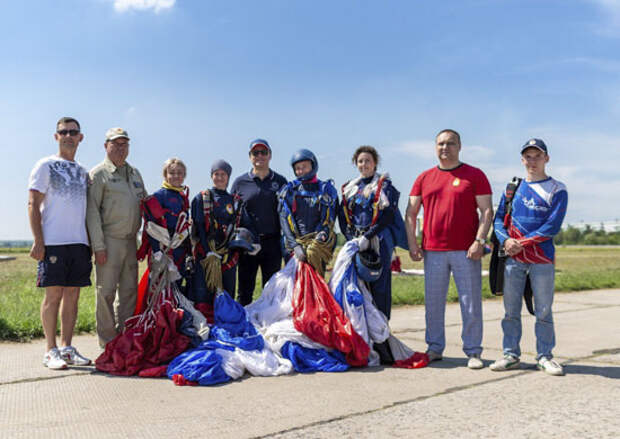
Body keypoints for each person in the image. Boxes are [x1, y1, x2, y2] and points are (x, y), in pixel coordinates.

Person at [405, 129, 493, 369]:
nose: (445, 148)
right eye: (441, 144)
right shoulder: (424, 177)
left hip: (467, 250)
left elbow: (487, 211)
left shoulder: (474, 175)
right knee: (433, 302)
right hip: (433, 250)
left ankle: (473, 351)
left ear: (460, 147)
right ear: (435, 147)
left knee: (470, 301)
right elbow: (411, 213)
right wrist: (413, 243)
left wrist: (479, 241)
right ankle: (434, 348)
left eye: (450, 144)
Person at [490, 138, 568, 376]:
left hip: (542, 261)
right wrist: (506, 240)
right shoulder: (512, 188)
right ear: (522, 159)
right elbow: (498, 220)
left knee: (543, 311)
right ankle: (511, 354)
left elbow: (551, 227)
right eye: (528, 156)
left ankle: (545, 357)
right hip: (513, 260)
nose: (532, 161)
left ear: (547, 158)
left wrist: (520, 243)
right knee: (510, 311)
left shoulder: (557, 188)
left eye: (537, 156)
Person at [28, 116, 92, 369]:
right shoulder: (45, 165)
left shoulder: (84, 172)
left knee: (72, 296)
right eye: (63, 132)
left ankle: (66, 347)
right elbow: (33, 204)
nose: (68, 136)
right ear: (56, 136)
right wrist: (38, 241)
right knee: (53, 296)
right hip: (53, 241)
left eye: (73, 132)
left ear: (80, 137)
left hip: (79, 242)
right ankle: (50, 350)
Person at [86, 127, 147, 348]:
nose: (121, 149)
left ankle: (125, 339)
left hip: (131, 241)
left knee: (130, 292)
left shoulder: (134, 173)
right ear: (106, 146)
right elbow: (92, 212)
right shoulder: (99, 174)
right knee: (106, 293)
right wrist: (98, 246)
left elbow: (146, 204)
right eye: (116, 144)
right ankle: (108, 343)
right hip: (109, 241)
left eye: (125, 144)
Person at [338, 145, 408, 319]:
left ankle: (382, 331)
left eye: (367, 160)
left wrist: (368, 236)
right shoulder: (350, 188)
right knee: (356, 285)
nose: (364, 164)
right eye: (360, 161)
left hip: (380, 240)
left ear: (375, 163)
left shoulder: (384, 186)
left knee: (380, 285)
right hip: (356, 242)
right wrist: (351, 239)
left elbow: (388, 216)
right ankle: (363, 330)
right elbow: (342, 215)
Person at [190, 160, 257, 305]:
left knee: (227, 295)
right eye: (216, 174)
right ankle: (205, 325)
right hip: (206, 256)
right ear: (211, 176)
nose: (219, 177)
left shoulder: (235, 201)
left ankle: (226, 324)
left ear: (228, 177)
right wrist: (208, 252)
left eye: (223, 174)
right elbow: (199, 226)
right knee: (204, 295)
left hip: (229, 257)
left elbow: (246, 224)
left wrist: (254, 242)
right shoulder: (201, 198)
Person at [231, 139, 287, 305]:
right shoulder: (240, 183)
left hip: (273, 244)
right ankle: (243, 328)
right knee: (244, 292)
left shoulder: (281, 181)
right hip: (247, 244)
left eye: (264, 152)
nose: (260, 156)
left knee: (271, 291)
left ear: (270, 156)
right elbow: (232, 213)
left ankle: (268, 327)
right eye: (256, 153)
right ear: (250, 157)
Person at [136, 158, 192, 301]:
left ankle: (174, 319)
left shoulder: (183, 197)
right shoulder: (158, 196)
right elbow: (151, 226)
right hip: (162, 251)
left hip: (179, 251)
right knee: (160, 289)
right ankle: (158, 319)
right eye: (172, 172)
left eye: (179, 173)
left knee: (177, 287)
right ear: (165, 175)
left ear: (184, 175)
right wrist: (156, 251)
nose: (176, 176)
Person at [278, 149, 338, 277]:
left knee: (316, 281)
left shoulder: (325, 190)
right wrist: (295, 246)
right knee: (295, 285)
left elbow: (329, 217)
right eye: (298, 168)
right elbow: (283, 219)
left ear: (313, 165)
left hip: (317, 246)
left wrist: (321, 235)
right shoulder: (289, 191)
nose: (301, 171)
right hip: (293, 247)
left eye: (304, 167)